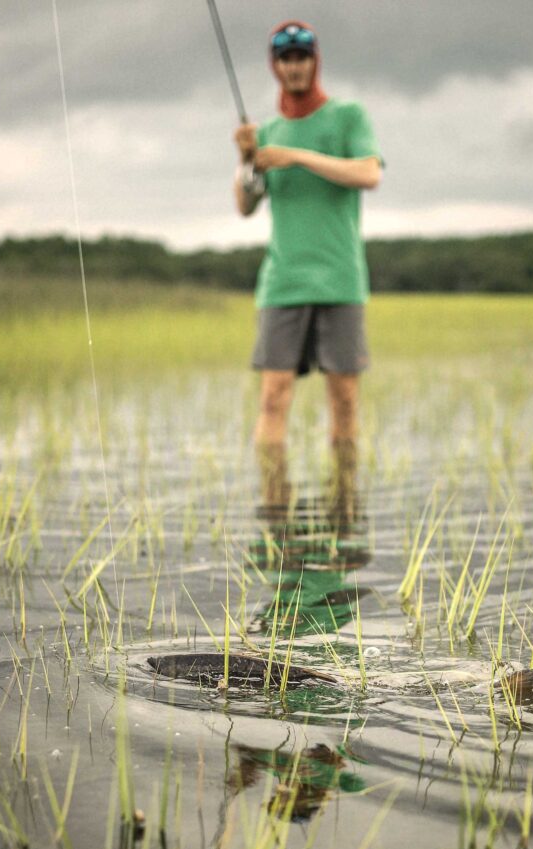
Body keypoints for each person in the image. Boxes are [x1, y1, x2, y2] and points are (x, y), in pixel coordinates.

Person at [233, 20, 382, 503]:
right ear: (275, 66)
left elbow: (368, 173)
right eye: (285, 58)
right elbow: (244, 204)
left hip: (340, 280)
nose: (293, 66)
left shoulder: (347, 116)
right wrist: (248, 161)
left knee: (344, 401)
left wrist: (296, 156)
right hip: (282, 284)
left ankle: (344, 504)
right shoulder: (268, 133)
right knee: (273, 397)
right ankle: (276, 513)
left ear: (314, 60)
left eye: (301, 56)